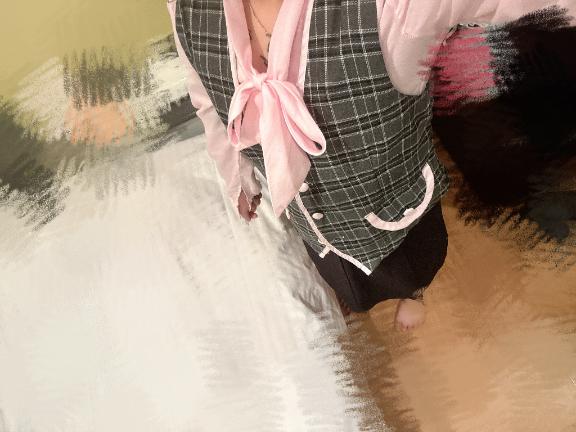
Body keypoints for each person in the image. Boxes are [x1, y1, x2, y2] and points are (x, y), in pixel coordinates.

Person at [165, 0, 576, 330]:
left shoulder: (394, 10)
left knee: (412, 270)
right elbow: (206, 97)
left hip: (395, 213)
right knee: (343, 277)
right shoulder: (187, 9)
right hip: (314, 221)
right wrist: (237, 176)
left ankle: (413, 295)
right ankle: (358, 294)